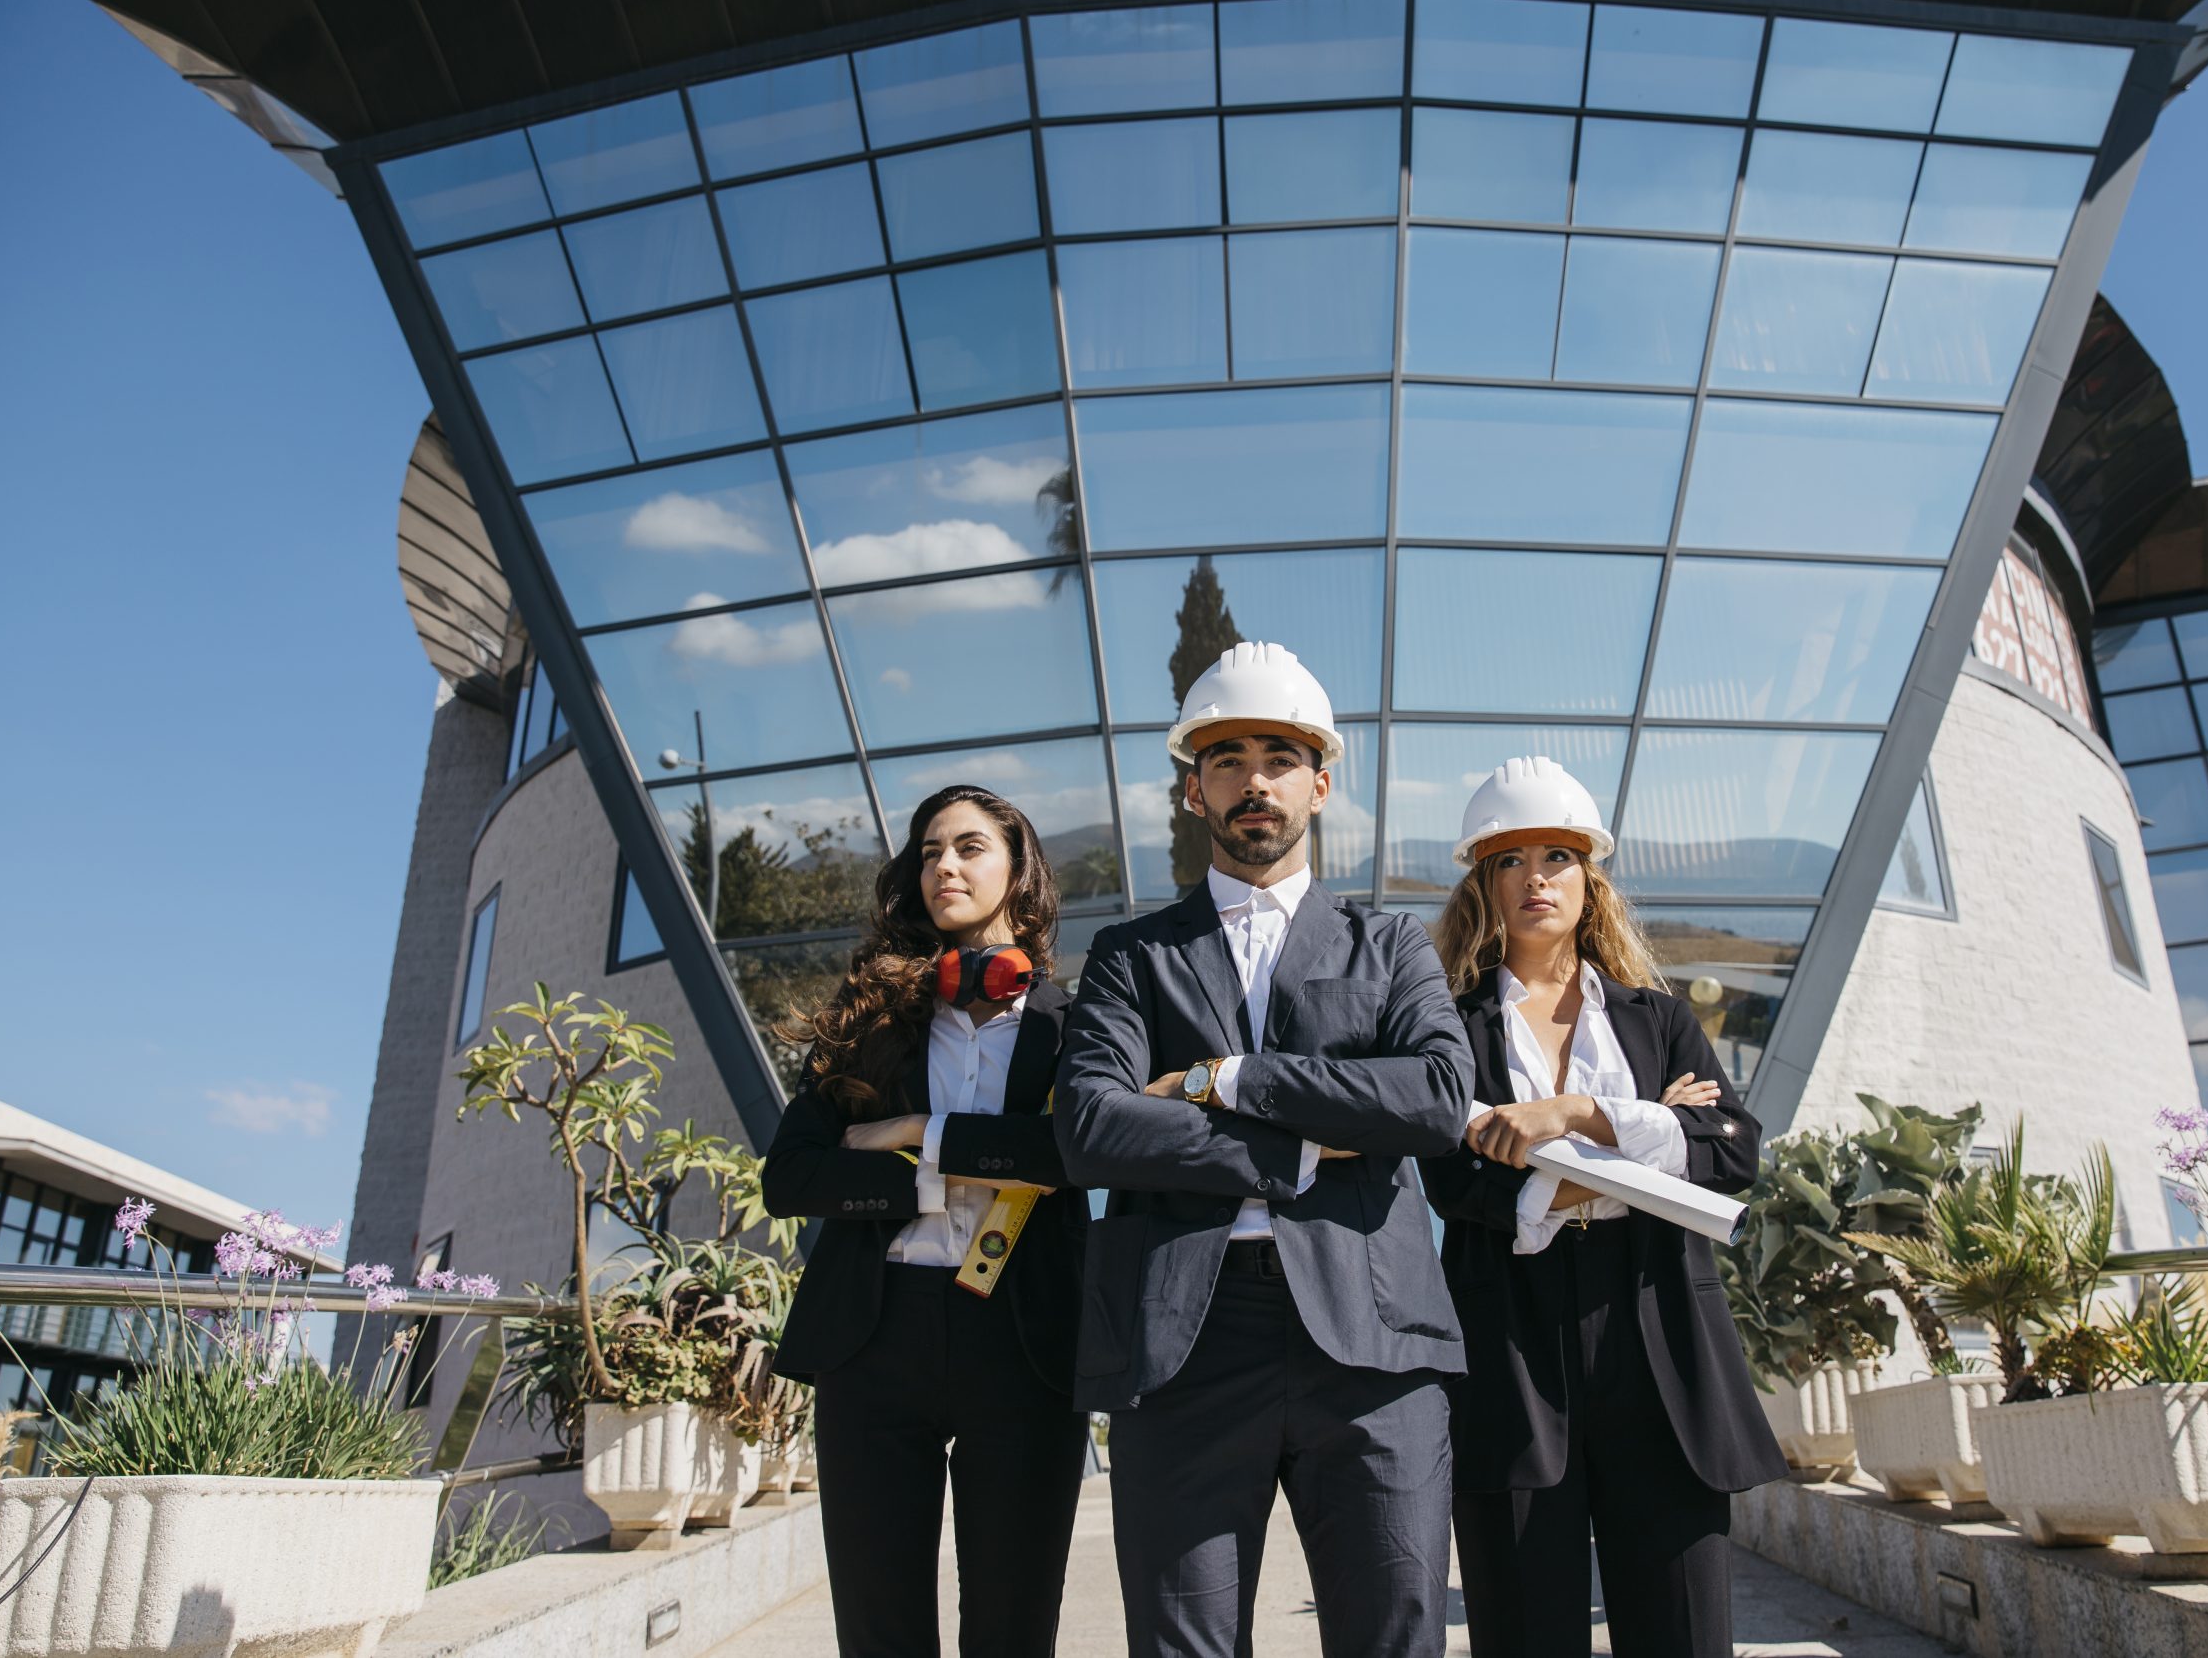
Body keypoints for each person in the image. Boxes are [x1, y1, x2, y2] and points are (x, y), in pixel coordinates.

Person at [1054, 641, 1473, 1658]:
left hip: (1374, 1337)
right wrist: (1302, 1147)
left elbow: (1434, 1100)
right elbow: (1092, 1127)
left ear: (1320, 784)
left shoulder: (1393, 945)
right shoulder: (1128, 956)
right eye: (1227, 757)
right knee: (1180, 1644)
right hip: (1181, 1343)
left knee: (1391, 1639)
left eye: (1279, 757)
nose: (1254, 780)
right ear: (1192, 789)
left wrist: (1222, 1079)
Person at [1420, 757, 1787, 1658]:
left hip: (1657, 1320)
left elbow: (1734, 1152)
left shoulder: (1657, 1017)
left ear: (1591, 881)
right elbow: (1453, 1178)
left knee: (1683, 1635)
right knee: (1525, 1630)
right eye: (1510, 859)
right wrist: (1652, 1134)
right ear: (1483, 882)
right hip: (1508, 1332)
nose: (1535, 877)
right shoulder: (1446, 1024)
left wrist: (1569, 1118)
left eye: (1557, 856)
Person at [761, 785, 1088, 1658]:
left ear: (1020, 872)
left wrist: (918, 1135)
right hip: (874, 1337)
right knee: (878, 1628)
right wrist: (928, 1185)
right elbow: (791, 1176)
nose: (944, 863)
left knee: (1015, 1627)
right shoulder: (871, 1018)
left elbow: (1079, 1151)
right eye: (931, 850)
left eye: (971, 847)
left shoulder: (1078, 1025)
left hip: (1023, 1342)